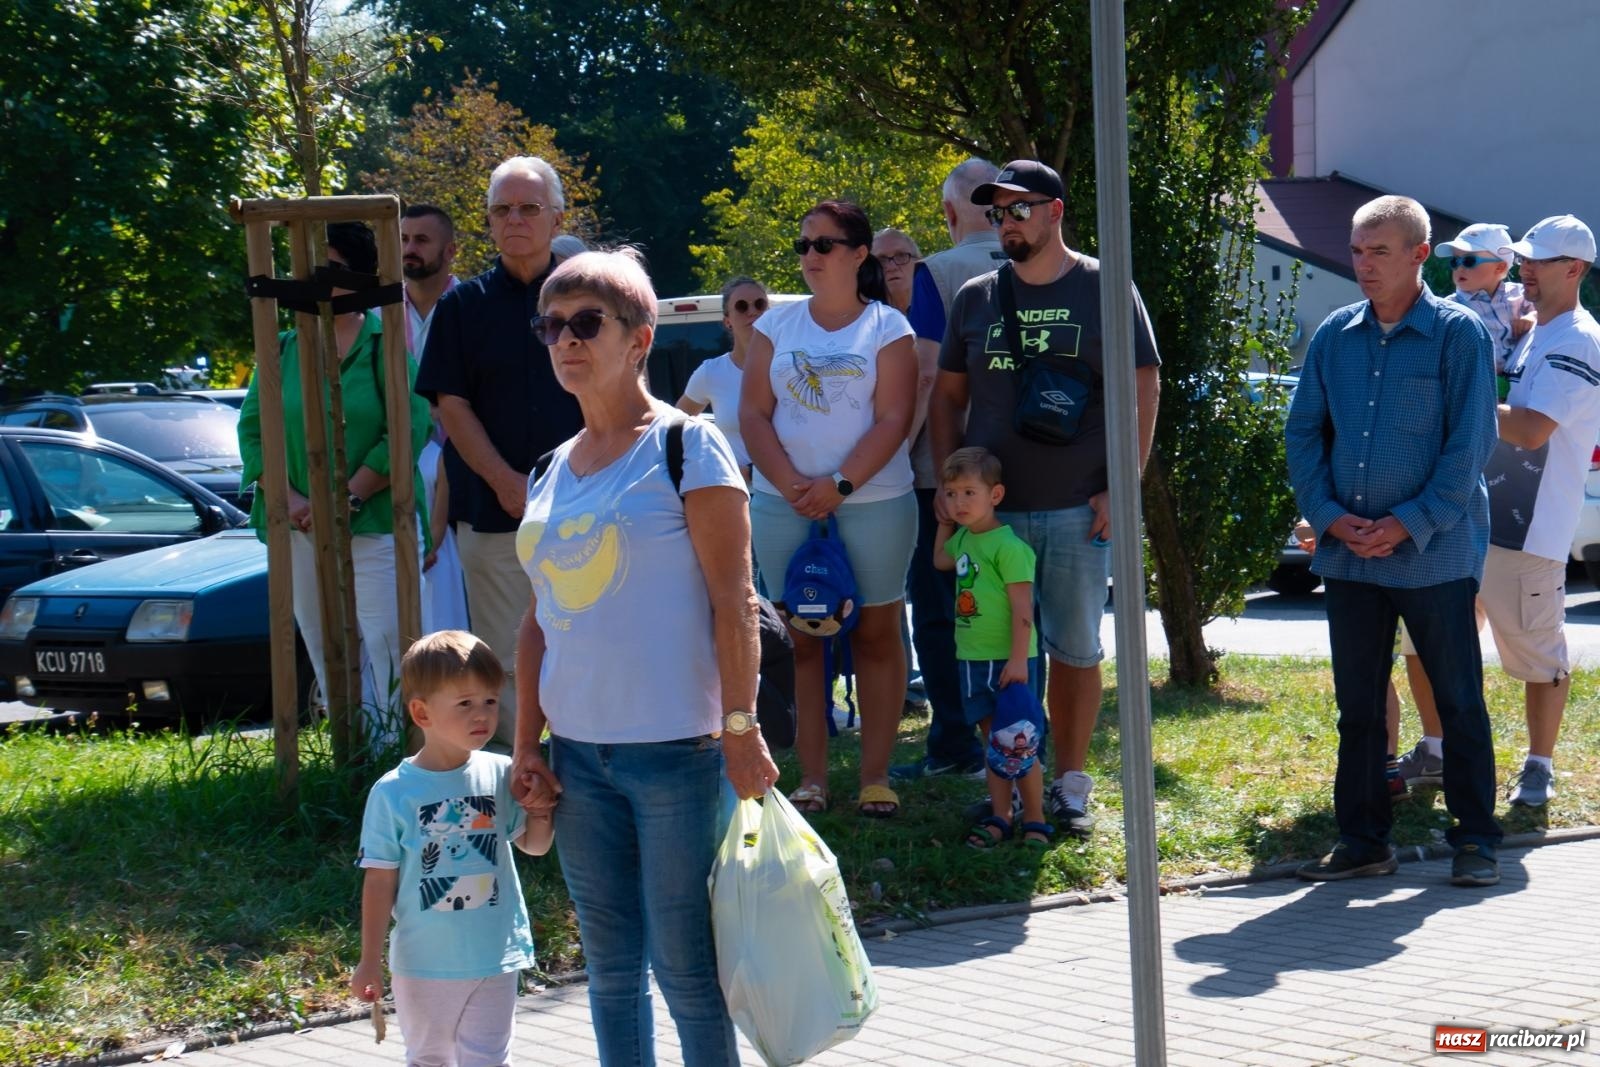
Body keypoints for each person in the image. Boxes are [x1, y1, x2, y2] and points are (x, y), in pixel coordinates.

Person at [510, 249, 779, 1066]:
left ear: (640, 337)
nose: (565, 341)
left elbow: (735, 599)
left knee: (686, 969)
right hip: (579, 760)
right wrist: (527, 743)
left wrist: (741, 726)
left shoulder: (688, 445)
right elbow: (538, 620)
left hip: (678, 752)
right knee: (611, 971)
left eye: (586, 323)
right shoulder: (549, 466)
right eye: (551, 326)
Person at [929, 159, 1161, 835]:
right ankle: (1007, 781)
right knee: (990, 646)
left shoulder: (1103, 287)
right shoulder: (975, 296)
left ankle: (1070, 783)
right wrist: (950, 486)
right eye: (996, 212)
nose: (1006, 222)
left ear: (1055, 211)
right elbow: (947, 394)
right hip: (989, 519)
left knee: (1074, 649)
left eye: (1018, 209)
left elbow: (1144, 384)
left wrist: (1124, 483)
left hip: (1075, 505)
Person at [1285, 194, 1502, 887]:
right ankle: (1363, 839)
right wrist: (1326, 511)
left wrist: (1408, 521)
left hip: (1434, 553)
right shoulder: (1335, 337)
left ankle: (1476, 839)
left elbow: (1470, 447)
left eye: (1379, 251)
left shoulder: (1459, 335)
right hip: (1348, 552)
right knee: (1358, 706)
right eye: (1356, 249)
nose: (1363, 264)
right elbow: (1303, 431)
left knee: (1458, 697)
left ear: (1418, 255)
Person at [740, 199, 919, 818]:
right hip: (783, 502)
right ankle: (811, 779)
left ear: (858, 252)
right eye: (803, 246)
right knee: (803, 635)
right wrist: (792, 482)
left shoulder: (888, 328)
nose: (810, 257)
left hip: (874, 502)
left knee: (875, 632)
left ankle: (875, 776)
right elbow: (754, 416)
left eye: (824, 245)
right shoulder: (775, 328)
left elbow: (896, 418)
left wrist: (838, 486)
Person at [238, 221, 432, 746]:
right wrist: (296, 500)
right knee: (322, 642)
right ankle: (348, 752)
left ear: (364, 277)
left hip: (373, 519)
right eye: (311, 268)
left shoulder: (384, 345)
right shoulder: (279, 349)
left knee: (390, 640)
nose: (321, 280)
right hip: (298, 523)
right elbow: (254, 430)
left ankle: (395, 754)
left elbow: (410, 425)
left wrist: (348, 496)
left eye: (336, 268)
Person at [415, 156, 584, 745]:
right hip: (494, 513)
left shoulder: (588, 299)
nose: (515, 219)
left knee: (589, 645)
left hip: (588, 505)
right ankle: (527, 786)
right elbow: (450, 406)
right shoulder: (462, 308)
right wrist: (505, 481)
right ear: (488, 222)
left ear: (557, 215)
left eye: (529, 208)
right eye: (502, 209)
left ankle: (587, 779)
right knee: (510, 660)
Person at [352, 629, 551, 1066]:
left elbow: (535, 847)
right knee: (430, 1059)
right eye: (465, 703)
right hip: (425, 966)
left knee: (490, 1059)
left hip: (496, 957)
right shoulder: (393, 793)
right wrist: (369, 960)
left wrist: (540, 808)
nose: (482, 714)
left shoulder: (502, 773)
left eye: (490, 701)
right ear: (422, 713)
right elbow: (379, 880)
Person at [1476, 215, 1600, 807]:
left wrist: (1463, 398)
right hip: (1486, 518)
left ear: (1574, 269)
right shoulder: (1538, 331)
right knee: (1430, 644)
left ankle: (1539, 765)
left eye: (1539, 261)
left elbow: (1528, 432)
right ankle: (1437, 750)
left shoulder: (1579, 339)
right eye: (1523, 258)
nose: (1524, 269)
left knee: (1539, 660)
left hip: (1532, 534)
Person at [892, 157, 1005, 781]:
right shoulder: (1034, 264)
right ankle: (1012, 736)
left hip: (944, 474)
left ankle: (954, 741)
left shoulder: (938, 272)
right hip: (1015, 473)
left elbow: (929, 371)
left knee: (939, 610)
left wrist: (895, 453)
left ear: (948, 212)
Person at [932, 447, 1048, 849]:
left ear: (995, 495)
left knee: (1019, 741)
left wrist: (1019, 659)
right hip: (972, 658)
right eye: (951, 494)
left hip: (1009, 660)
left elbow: (1023, 609)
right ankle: (1001, 814)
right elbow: (941, 562)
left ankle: (1036, 818)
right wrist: (944, 523)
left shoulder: (1009, 547)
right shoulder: (963, 538)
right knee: (992, 743)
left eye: (968, 493)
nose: (958, 502)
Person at [676, 276, 768, 478]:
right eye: (742, 307)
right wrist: (707, 462)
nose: (753, 312)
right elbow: (674, 426)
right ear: (728, 321)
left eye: (760, 305)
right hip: (737, 494)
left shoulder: (789, 366)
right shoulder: (711, 372)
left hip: (790, 495)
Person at [400, 203, 459, 360]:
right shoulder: (380, 313)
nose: (409, 249)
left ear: (450, 251)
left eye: (421, 240)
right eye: (404, 239)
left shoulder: (474, 308)